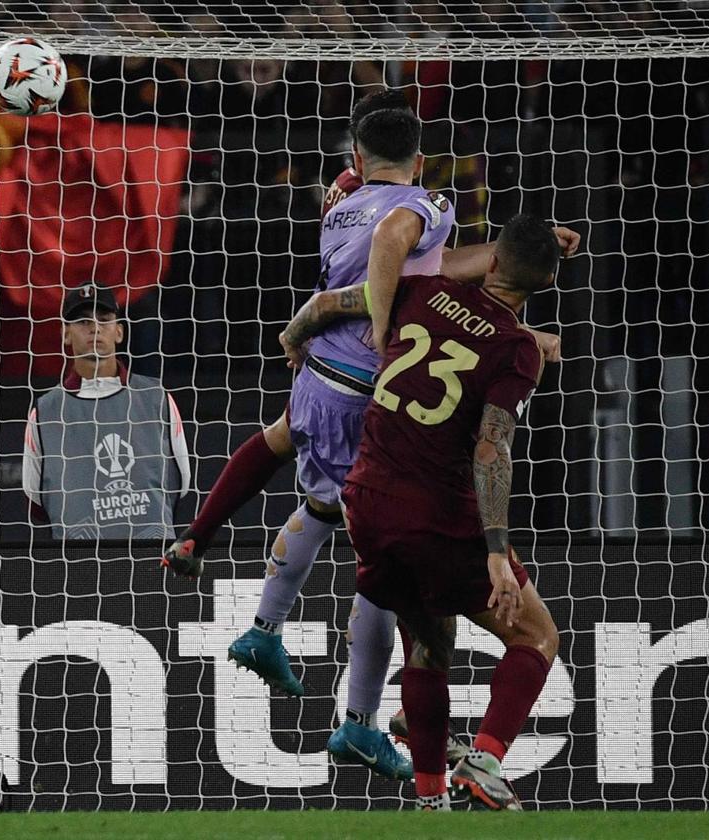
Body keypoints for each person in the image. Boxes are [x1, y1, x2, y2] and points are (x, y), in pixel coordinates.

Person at [166, 91, 576, 781]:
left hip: (320, 374)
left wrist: (299, 329)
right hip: (367, 389)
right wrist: (385, 318)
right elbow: (403, 250)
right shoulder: (429, 206)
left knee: (291, 463)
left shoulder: (340, 198)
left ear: (356, 157)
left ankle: (224, 574)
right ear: (419, 161)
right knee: (384, 572)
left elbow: (426, 271)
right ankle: (359, 720)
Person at [280, 213, 562, 811]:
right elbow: (490, 448)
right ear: (545, 286)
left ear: (490, 260)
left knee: (430, 643)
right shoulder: (517, 350)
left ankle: (430, 801)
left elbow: (330, 303)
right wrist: (495, 553)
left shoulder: (421, 290)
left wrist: (294, 338)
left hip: (366, 501)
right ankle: (484, 761)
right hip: (437, 512)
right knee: (537, 634)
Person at [24, 284, 191, 540]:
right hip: (78, 568)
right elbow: (35, 500)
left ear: (119, 332)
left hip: (152, 564)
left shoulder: (157, 398)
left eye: (104, 320)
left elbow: (181, 485)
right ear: (65, 334)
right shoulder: (45, 410)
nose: (94, 328)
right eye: (82, 321)